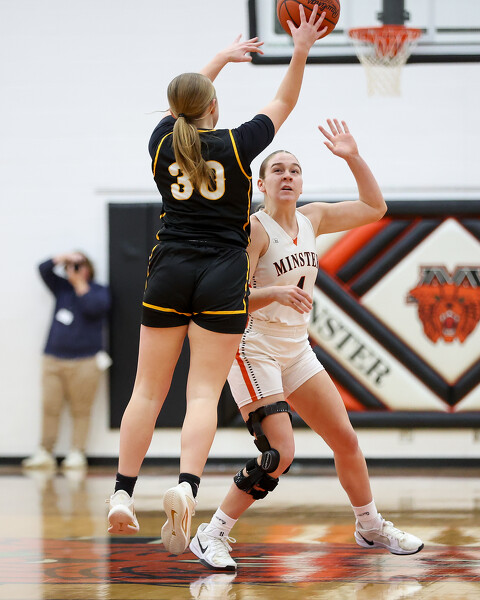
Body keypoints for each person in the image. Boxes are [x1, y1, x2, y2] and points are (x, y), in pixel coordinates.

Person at [106, 6, 329, 555]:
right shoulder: (236, 144)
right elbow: (285, 101)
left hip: (170, 267)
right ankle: (187, 485)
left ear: (175, 109)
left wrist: (219, 60)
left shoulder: (162, 141)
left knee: (146, 390)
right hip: (223, 274)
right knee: (202, 392)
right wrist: (300, 48)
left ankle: (122, 494)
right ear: (214, 108)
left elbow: (181, 103)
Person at [189, 119, 425, 570]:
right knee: (278, 455)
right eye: (278, 170)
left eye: (295, 170)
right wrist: (275, 293)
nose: (288, 176)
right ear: (261, 184)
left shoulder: (312, 217)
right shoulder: (253, 231)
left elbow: (374, 207)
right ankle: (211, 533)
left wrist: (353, 157)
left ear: (301, 182)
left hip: (297, 349)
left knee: (346, 440)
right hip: (254, 348)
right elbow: (228, 300)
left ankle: (369, 525)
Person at [22, 252, 111, 470]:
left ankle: (77, 453)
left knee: (81, 410)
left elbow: (95, 308)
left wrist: (80, 284)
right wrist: (63, 257)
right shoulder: (61, 288)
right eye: (72, 265)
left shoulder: (99, 291)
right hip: (53, 359)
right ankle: (45, 452)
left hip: (85, 362)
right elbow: (43, 269)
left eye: (79, 265)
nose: (75, 268)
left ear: (89, 268)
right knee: (49, 407)